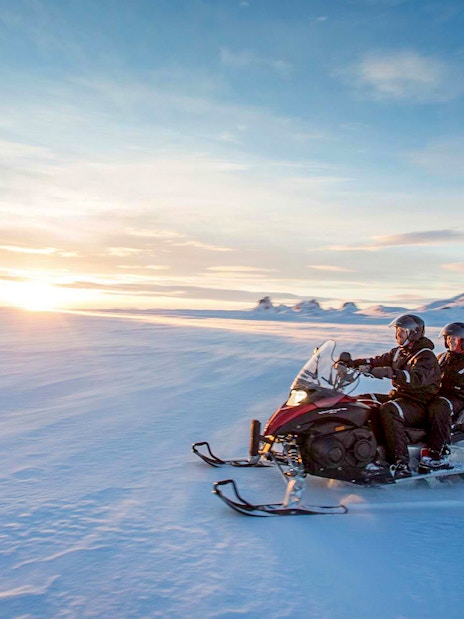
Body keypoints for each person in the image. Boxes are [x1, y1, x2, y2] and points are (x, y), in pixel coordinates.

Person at [343, 314, 441, 479]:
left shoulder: (426, 356)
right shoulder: (398, 352)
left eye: (401, 331)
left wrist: (390, 373)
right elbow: (375, 361)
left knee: (390, 409)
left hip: (420, 403)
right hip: (400, 397)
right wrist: (352, 363)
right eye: (397, 331)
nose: (397, 335)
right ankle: (368, 451)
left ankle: (400, 463)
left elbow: (416, 379)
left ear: (414, 333)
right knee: (364, 400)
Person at [419, 322, 464, 471]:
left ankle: (437, 454)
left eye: (454, 339)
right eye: (448, 339)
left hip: (459, 399)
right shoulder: (442, 357)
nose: (450, 342)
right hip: (438, 395)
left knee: (440, 406)